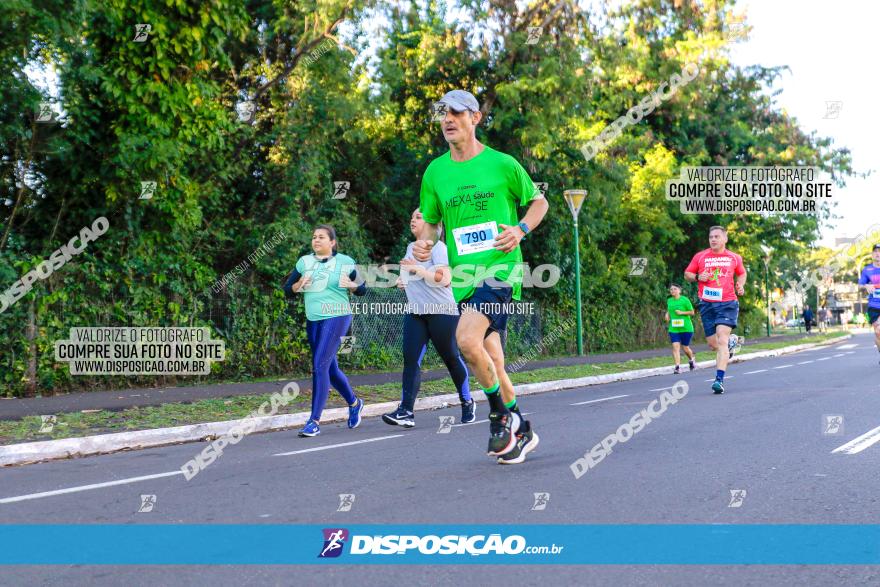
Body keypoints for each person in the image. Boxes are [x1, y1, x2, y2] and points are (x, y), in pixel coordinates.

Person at [414, 89, 550, 464]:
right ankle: (522, 427)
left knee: (465, 339)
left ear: (475, 118)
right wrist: (425, 243)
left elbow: (540, 202)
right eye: (443, 113)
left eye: (457, 113)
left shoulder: (503, 164)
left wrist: (520, 229)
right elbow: (431, 225)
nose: (447, 119)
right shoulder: (435, 172)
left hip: (500, 271)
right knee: (491, 359)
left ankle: (498, 415)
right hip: (463, 280)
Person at [382, 208, 475, 427]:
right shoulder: (409, 248)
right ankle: (406, 411)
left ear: (432, 224)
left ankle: (467, 401)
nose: (412, 219)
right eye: (411, 216)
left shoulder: (439, 248)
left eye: (418, 217)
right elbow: (408, 275)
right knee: (411, 360)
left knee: (451, 358)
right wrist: (402, 281)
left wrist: (417, 271)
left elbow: (444, 280)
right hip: (417, 313)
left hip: (442, 312)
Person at [283, 224, 367, 437]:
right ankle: (354, 403)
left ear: (332, 242)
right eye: (314, 237)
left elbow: (362, 289)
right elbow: (287, 290)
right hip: (314, 319)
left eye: (321, 237)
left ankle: (314, 421)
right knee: (329, 368)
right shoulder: (304, 262)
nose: (316, 240)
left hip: (338, 316)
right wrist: (298, 284)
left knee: (319, 365)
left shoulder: (345, 262)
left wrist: (352, 285)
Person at [684, 226, 746, 395]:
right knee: (713, 345)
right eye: (711, 236)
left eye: (717, 236)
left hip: (727, 303)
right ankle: (731, 346)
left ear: (725, 239)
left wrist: (740, 284)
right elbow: (687, 274)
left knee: (722, 340)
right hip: (707, 304)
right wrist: (697, 277)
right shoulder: (700, 256)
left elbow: (742, 273)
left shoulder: (734, 257)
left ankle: (719, 380)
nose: (713, 239)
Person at [665, 284, 696, 374]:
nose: (673, 291)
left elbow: (692, 312)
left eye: (675, 289)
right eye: (671, 289)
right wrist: (667, 314)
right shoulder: (669, 300)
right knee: (675, 347)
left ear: (679, 290)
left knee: (685, 348)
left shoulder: (685, 300)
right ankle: (677, 367)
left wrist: (681, 312)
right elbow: (669, 309)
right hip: (674, 328)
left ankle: (691, 360)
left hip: (686, 328)